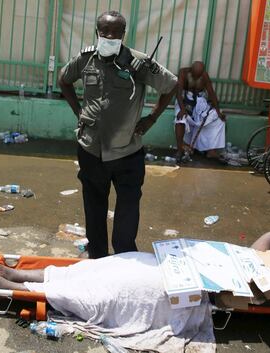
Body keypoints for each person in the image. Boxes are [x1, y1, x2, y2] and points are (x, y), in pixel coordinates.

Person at [58, 11, 177, 259]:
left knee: (128, 210)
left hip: (127, 152)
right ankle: (98, 257)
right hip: (91, 149)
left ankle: (125, 258)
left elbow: (171, 85)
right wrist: (79, 112)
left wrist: (151, 118)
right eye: (105, 32)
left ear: (124, 35)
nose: (110, 36)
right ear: (97, 32)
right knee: (94, 208)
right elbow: (64, 80)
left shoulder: (139, 63)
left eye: (115, 32)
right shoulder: (86, 59)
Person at [0, 233, 270, 316]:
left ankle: (7, 282)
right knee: (100, 267)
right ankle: (16, 276)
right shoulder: (253, 259)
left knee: (103, 288)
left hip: (179, 288)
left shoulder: (256, 291)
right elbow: (269, 236)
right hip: (172, 267)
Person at [174, 61, 225, 162]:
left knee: (218, 119)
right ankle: (179, 150)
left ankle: (211, 151)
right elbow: (178, 93)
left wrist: (218, 111)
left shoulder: (204, 76)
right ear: (191, 70)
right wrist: (183, 109)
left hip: (199, 102)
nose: (197, 77)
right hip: (184, 101)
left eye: (199, 75)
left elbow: (211, 93)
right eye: (195, 75)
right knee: (180, 119)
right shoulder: (183, 73)